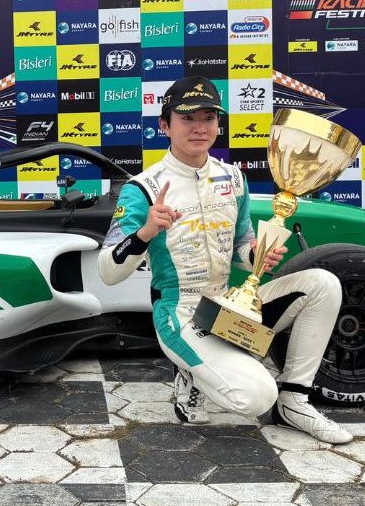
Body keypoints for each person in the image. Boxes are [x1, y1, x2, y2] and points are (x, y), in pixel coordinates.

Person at [97, 76, 352, 444]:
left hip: (227, 303)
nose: (200, 127)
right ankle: (190, 370)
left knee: (322, 284)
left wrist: (259, 255)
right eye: (187, 118)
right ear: (164, 125)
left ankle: (295, 401)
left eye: (208, 117)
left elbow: (242, 251)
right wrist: (146, 231)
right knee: (255, 396)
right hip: (180, 313)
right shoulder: (143, 188)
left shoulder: (233, 178)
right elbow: (107, 272)